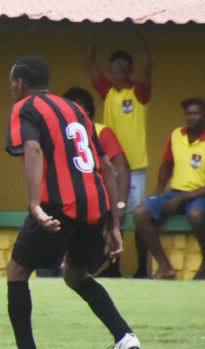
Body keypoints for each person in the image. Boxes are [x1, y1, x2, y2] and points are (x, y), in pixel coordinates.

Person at [5, 55, 139, 349]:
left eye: (12, 83)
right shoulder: (76, 109)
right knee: (76, 274)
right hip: (95, 203)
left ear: (20, 83)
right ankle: (125, 336)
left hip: (58, 203)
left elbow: (32, 148)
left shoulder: (25, 107)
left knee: (17, 270)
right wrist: (114, 223)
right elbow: (106, 165)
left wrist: (33, 204)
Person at [84, 34, 151, 276]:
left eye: (124, 66)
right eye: (115, 67)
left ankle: (143, 267)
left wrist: (142, 35)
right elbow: (90, 65)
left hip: (137, 167)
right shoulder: (108, 92)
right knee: (116, 215)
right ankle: (114, 267)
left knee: (138, 221)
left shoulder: (139, 93)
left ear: (130, 68)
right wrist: (95, 29)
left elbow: (147, 67)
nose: (119, 71)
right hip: (112, 165)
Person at [133, 97, 205, 281]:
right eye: (188, 113)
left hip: (199, 194)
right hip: (176, 191)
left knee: (196, 215)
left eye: (196, 113)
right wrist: (159, 189)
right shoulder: (176, 135)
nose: (192, 117)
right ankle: (165, 267)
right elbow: (167, 164)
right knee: (140, 213)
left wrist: (179, 200)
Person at [63, 86, 131, 277]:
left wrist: (121, 203)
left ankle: (105, 267)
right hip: (70, 197)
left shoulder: (101, 131)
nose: (77, 112)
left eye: (82, 108)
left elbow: (122, 167)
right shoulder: (61, 132)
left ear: (90, 110)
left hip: (99, 196)